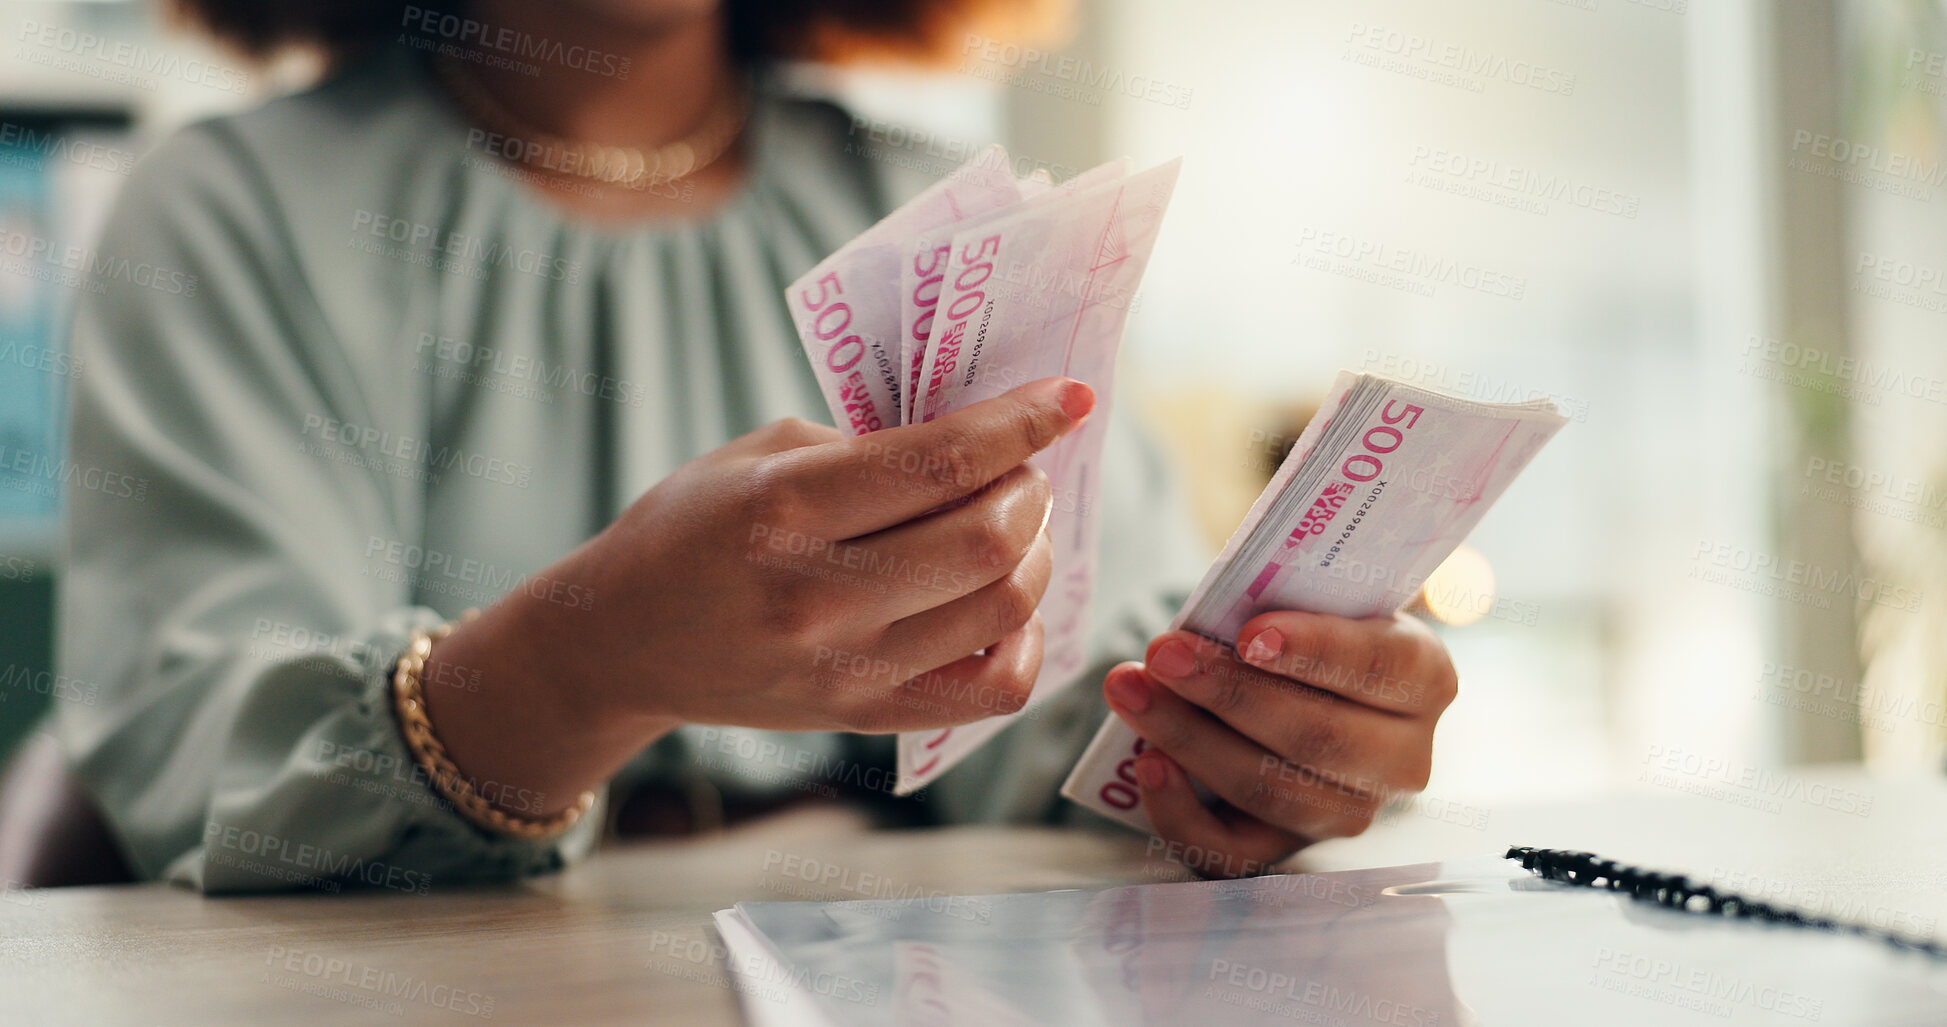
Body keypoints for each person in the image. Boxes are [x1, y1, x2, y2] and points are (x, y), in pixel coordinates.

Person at [55, 0, 1458, 892]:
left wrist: (1246, 749)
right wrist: (579, 662)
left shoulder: (944, 212)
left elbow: (1079, 707)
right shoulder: (223, 216)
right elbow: (210, 763)